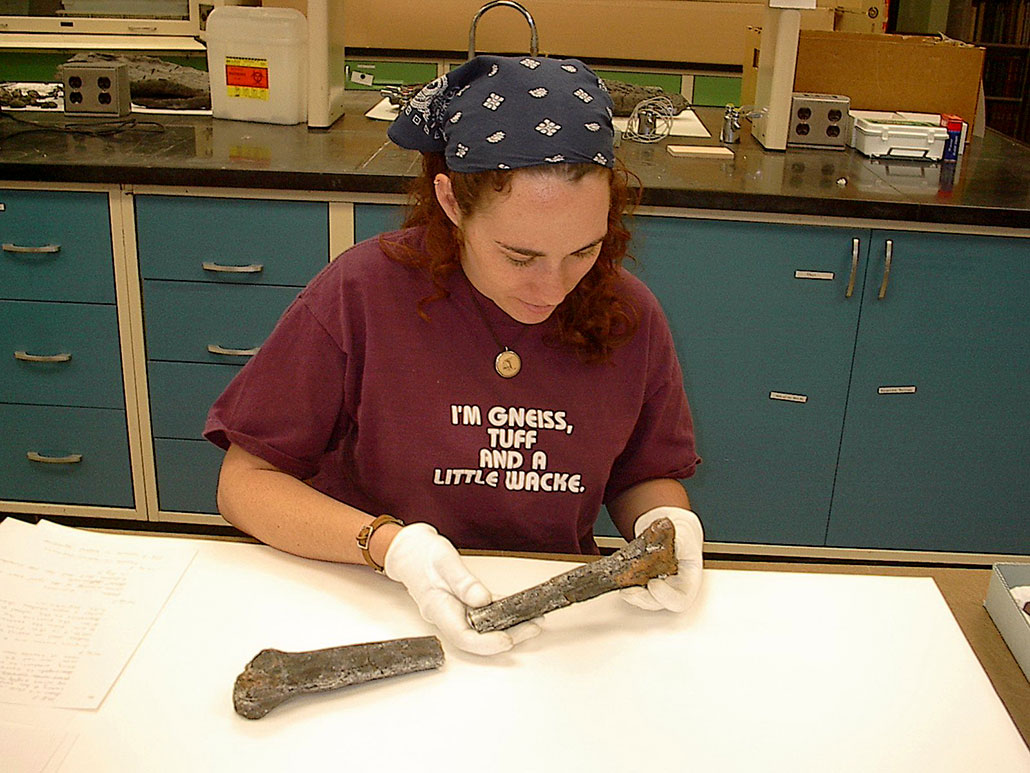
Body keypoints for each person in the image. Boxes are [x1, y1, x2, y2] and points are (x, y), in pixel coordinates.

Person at [204, 55, 704, 656]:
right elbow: (246, 483)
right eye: (519, 257)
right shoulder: (362, 293)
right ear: (451, 202)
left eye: (583, 251)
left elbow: (643, 475)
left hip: (557, 634)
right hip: (376, 602)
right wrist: (392, 547)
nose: (553, 287)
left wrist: (665, 530)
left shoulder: (630, 314)